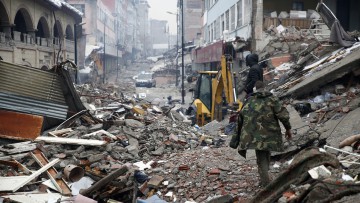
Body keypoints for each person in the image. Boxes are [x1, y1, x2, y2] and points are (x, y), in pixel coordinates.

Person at [230, 81, 292, 187]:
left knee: (261, 155)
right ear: (265, 88)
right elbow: (283, 115)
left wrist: (236, 139)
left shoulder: (249, 100)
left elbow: (240, 118)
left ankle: (265, 181)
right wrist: (288, 129)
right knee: (265, 153)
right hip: (270, 134)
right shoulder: (272, 99)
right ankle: (266, 181)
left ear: (255, 89)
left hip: (253, 135)